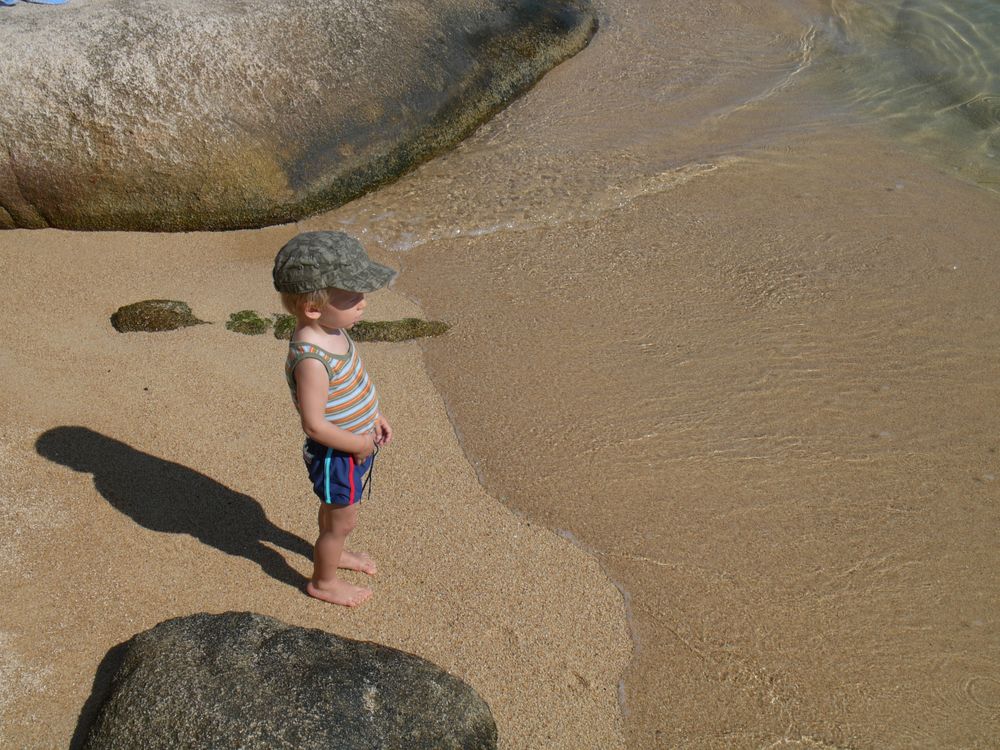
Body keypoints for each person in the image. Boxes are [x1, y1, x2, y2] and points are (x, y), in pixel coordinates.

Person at [273, 230, 397, 607]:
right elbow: (314, 424)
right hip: (336, 454)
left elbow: (354, 384)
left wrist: (373, 414)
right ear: (313, 307)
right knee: (343, 519)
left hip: (356, 441)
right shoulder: (312, 359)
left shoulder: (334, 329)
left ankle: (336, 551)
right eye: (353, 297)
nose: (364, 303)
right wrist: (358, 443)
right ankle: (323, 581)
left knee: (335, 514)